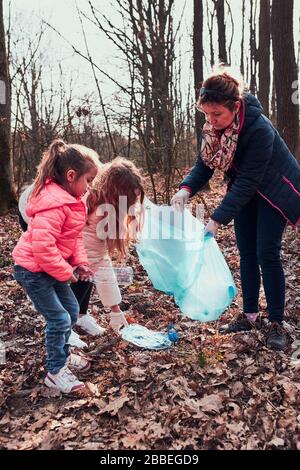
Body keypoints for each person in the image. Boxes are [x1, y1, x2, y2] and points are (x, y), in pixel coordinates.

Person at [171, 69, 300, 351]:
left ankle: (277, 322)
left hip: (275, 192)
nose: (211, 120)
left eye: (216, 114)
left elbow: (249, 180)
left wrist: (216, 219)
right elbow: (203, 165)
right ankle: (250, 314)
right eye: (206, 114)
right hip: (246, 193)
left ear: (236, 106)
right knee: (246, 252)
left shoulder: (259, 130)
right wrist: (185, 189)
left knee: (266, 252)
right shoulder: (213, 130)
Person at [13, 139, 99, 393]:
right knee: (59, 318)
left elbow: (72, 239)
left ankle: (64, 354)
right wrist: (65, 272)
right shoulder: (53, 203)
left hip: (51, 268)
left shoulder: (72, 200)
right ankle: (55, 371)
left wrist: (80, 263)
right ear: (71, 176)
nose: (90, 186)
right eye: (89, 179)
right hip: (33, 271)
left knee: (71, 310)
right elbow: (42, 248)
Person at [81, 156, 145, 333]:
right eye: (129, 198)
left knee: (86, 270)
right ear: (117, 195)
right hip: (35, 227)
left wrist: (116, 312)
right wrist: (115, 311)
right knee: (80, 272)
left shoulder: (102, 193)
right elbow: (98, 263)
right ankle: (68, 324)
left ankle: (78, 315)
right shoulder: (96, 212)